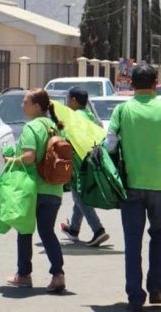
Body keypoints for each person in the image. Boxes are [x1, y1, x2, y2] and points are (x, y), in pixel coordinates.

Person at [105, 65, 161, 312]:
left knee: (132, 242)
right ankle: (157, 288)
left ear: (131, 83)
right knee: (159, 237)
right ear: (155, 82)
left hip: (130, 186)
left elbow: (110, 145)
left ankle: (135, 297)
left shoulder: (122, 109)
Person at [5, 89, 66, 293]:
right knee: (47, 232)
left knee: (24, 230)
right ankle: (58, 275)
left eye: (25, 102)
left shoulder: (32, 127)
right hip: (55, 188)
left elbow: (29, 157)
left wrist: (11, 160)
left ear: (37, 106)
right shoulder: (56, 127)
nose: (22, 105)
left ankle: (23, 275)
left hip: (32, 189)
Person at [60, 86, 110, 247]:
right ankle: (73, 229)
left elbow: (68, 139)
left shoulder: (74, 118)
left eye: (68, 99)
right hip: (92, 161)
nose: (67, 102)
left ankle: (98, 230)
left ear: (73, 100)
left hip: (78, 163)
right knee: (78, 196)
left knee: (79, 196)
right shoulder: (90, 115)